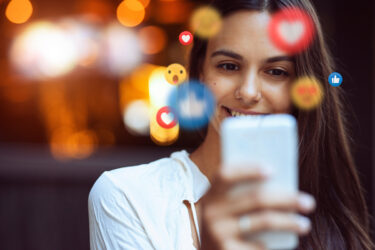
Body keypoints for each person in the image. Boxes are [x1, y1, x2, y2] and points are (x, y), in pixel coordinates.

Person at [88, 0, 374, 249]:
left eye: (276, 71)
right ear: (199, 72)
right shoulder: (127, 197)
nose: (248, 92)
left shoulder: (334, 220)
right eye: (228, 66)